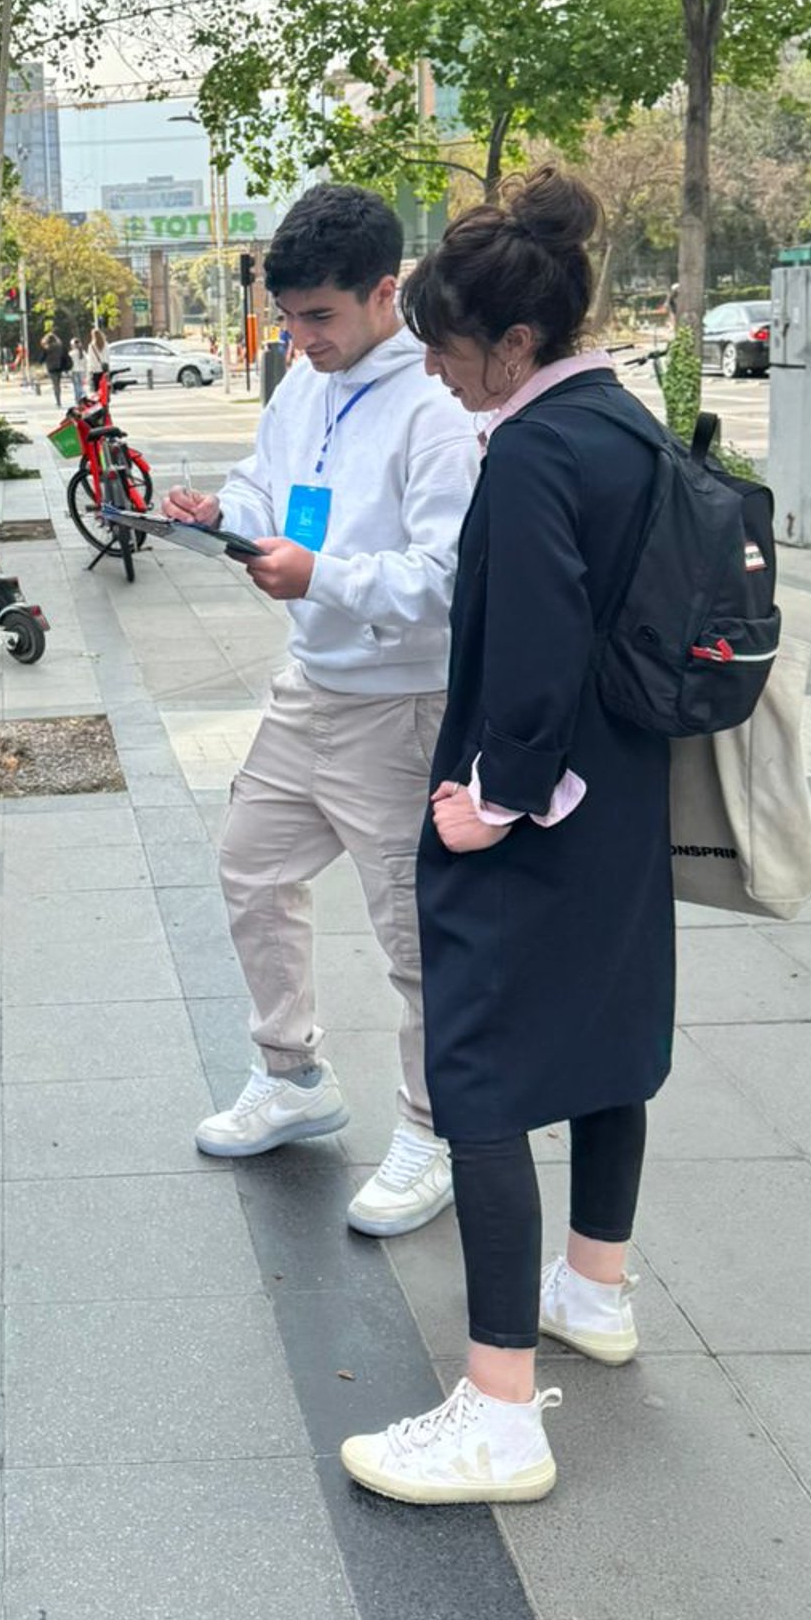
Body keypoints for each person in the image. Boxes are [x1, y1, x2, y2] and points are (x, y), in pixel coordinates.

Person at [339, 170, 673, 1507]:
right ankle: (595, 1288)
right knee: (606, 1054)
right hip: (627, 803)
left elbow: (531, 650)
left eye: (448, 343)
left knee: (474, 1073)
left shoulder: (529, 451)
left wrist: (494, 798)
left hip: (538, 812)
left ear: (514, 345)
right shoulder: (622, 423)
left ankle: (495, 1409)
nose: (435, 367)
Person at [167, 185, 479, 1229]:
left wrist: (324, 577)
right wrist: (221, 514)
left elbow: (445, 574)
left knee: (414, 936)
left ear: (385, 292)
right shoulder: (306, 383)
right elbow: (268, 488)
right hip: (312, 686)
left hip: (402, 704)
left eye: (321, 318)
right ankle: (292, 1074)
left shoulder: (435, 405)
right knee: (251, 867)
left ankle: (436, 1130)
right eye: (290, 318)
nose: (300, 340)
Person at [43, 325, 71, 408]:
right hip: (59, 367)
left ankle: (58, 400)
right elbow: (65, 355)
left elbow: (42, 358)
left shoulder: (47, 348)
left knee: (55, 384)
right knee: (57, 383)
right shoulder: (60, 347)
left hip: (51, 368)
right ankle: (58, 398)